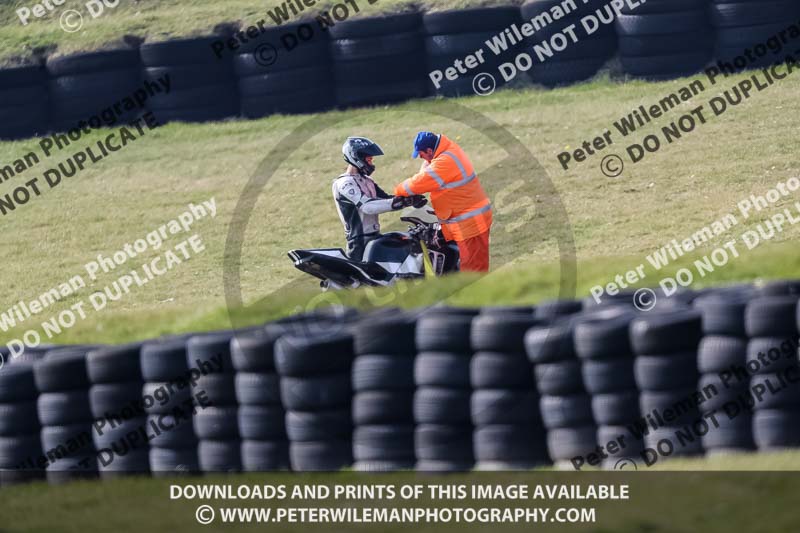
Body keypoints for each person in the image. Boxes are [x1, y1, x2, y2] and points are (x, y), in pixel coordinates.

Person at [393, 132, 492, 272]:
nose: (420, 157)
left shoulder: (445, 162)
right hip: (468, 221)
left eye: (421, 154)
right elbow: (427, 168)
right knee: (468, 264)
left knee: (473, 270)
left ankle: (478, 293)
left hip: (471, 224)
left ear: (429, 150)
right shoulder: (447, 151)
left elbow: (419, 184)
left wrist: (398, 190)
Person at [333, 136, 426, 261]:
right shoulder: (344, 183)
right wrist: (400, 202)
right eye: (369, 159)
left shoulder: (367, 181)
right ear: (357, 157)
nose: (371, 163)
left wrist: (409, 199)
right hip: (358, 243)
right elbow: (367, 207)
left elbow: (386, 199)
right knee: (363, 280)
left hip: (375, 237)